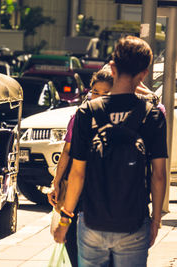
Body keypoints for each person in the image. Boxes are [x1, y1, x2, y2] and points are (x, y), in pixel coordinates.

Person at [53, 36, 167, 267]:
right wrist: (155, 220)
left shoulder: (87, 112)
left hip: (92, 220)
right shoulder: (152, 116)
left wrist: (65, 219)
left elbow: (77, 173)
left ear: (112, 68)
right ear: (144, 74)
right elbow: (159, 175)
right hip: (134, 222)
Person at [47, 69, 113, 267]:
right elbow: (67, 152)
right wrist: (56, 183)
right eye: (95, 91)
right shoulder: (79, 117)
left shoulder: (121, 119)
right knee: (75, 251)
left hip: (107, 197)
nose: (98, 97)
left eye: (105, 93)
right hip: (78, 193)